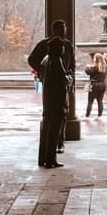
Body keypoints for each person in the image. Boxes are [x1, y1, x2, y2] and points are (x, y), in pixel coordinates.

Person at [28, 20, 75, 154]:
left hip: (59, 83)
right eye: (62, 28)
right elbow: (32, 59)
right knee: (57, 113)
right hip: (55, 83)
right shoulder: (46, 45)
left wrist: (70, 76)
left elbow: (71, 64)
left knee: (60, 114)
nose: (64, 30)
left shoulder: (67, 45)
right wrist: (42, 72)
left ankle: (58, 143)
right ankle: (53, 145)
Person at [37, 36, 70, 167]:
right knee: (54, 131)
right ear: (58, 48)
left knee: (46, 130)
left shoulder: (45, 60)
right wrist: (70, 78)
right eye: (62, 47)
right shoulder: (57, 61)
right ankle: (51, 159)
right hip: (57, 101)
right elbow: (64, 80)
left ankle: (43, 158)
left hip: (48, 100)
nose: (63, 50)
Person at [85, 52, 107, 117]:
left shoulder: (94, 66)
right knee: (100, 101)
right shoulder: (104, 67)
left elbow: (88, 72)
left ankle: (87, 115)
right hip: (103, 85)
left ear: (96, 59)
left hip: (94, 85)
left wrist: (87, 67)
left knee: (90, 101)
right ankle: (99, 115)